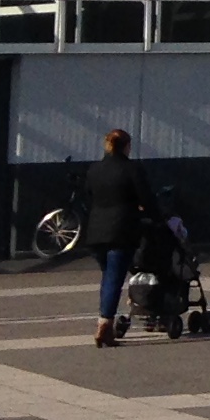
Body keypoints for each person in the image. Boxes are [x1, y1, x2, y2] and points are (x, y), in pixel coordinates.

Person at [81, 128, 160, 348]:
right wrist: (157, 218)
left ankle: (105, 319)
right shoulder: (132, 169)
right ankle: (104, 325)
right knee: (114, 279)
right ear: (126, 146)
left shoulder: (94, 169)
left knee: (108, 276)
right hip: (121, 231)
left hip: (96, 232)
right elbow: (147, 198)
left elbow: (89, 195)